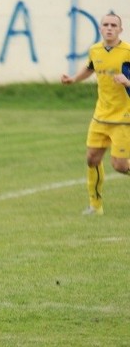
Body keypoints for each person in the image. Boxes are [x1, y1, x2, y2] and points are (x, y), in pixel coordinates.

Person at [61, 11, 130, 215]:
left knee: (119, 165)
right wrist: (73, 79)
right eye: (106, 25)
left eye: (113, 25)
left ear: (120, 29)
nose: (109, 28)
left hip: (124, 118)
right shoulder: (95, 50)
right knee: (92, 158)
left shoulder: (127, 51)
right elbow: (90, 68)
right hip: (100, 116)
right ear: (100, 29)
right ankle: (95, 205)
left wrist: (127, 82)